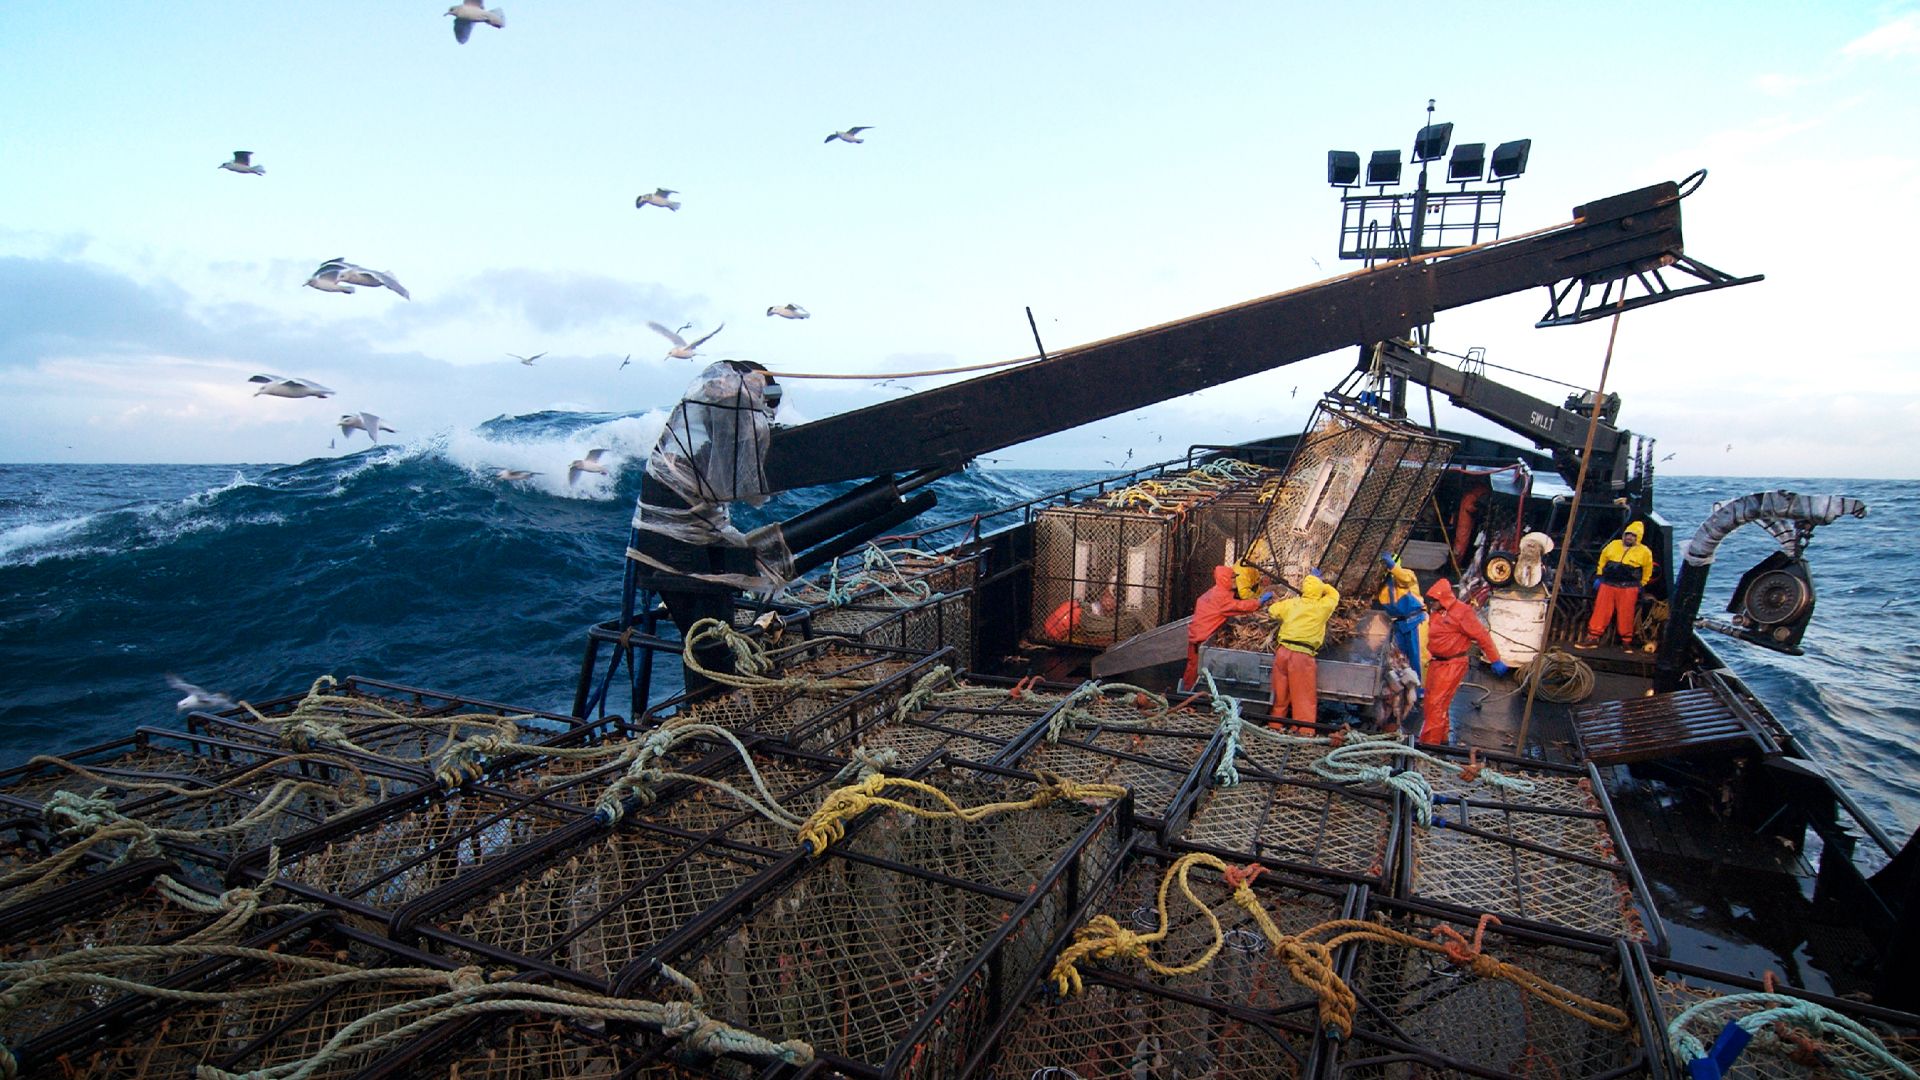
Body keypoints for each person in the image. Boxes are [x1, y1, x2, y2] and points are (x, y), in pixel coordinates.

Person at [1421, 578, 1511, 745]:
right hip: (1436, 663)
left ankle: (1428, 745)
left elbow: (1482, 636)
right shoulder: (1437, 612)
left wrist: (1495, 659)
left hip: (1452, 665)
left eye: (1434, 600)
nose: (1431, 603)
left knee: (1436, 704)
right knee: (1434, 703)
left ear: (1443, 600)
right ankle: (1442, 738)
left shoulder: (1462, 612)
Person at [1267, 569, 1340, 731]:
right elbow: (1335, 595)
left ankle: (1274, 726)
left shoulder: (1292, 603)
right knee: (1303, 697)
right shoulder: (1323, 607)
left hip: (1282, 652)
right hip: (1302, 656)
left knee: (1281, 694)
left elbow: (1272, 611)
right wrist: (1323, 585)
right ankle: (1303, 731)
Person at [1184, 565, 1270, 689]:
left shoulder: (1216, 591)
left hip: (1200, 635)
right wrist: (1259, 602)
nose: (1236, 581)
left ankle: (1193, 693)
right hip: (1201, 639)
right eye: (1233, 579)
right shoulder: (1220, 597)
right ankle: (1188, 697)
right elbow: (1238, 607)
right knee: (1195, 670)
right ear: (1225, 580)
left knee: (1196, 667)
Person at [1578, 520, 1655, 650]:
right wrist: (1599, 575)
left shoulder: (1645, 552)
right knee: (1600, 611)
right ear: (1624, 535)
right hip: (1608, 584)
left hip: (1629, 587)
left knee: (1626, 614)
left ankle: (1626, 641)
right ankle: (1593, 638)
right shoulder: (1614, 545)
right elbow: (1603, 559)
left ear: (1638, 537)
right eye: (1628, 534)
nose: (1629, 537)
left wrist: (1642, 584)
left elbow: (1648, 569)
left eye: (1633, 535)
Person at [1377, 553, 1429, 679]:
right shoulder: (1382, 584)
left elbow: (1405, 578)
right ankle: (1404, 689)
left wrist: (1393, 567)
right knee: (1400, 659)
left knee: (1418, 657)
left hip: (1416, 621)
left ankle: (1420, 691)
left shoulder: (1407, 574)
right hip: (1399, 624)